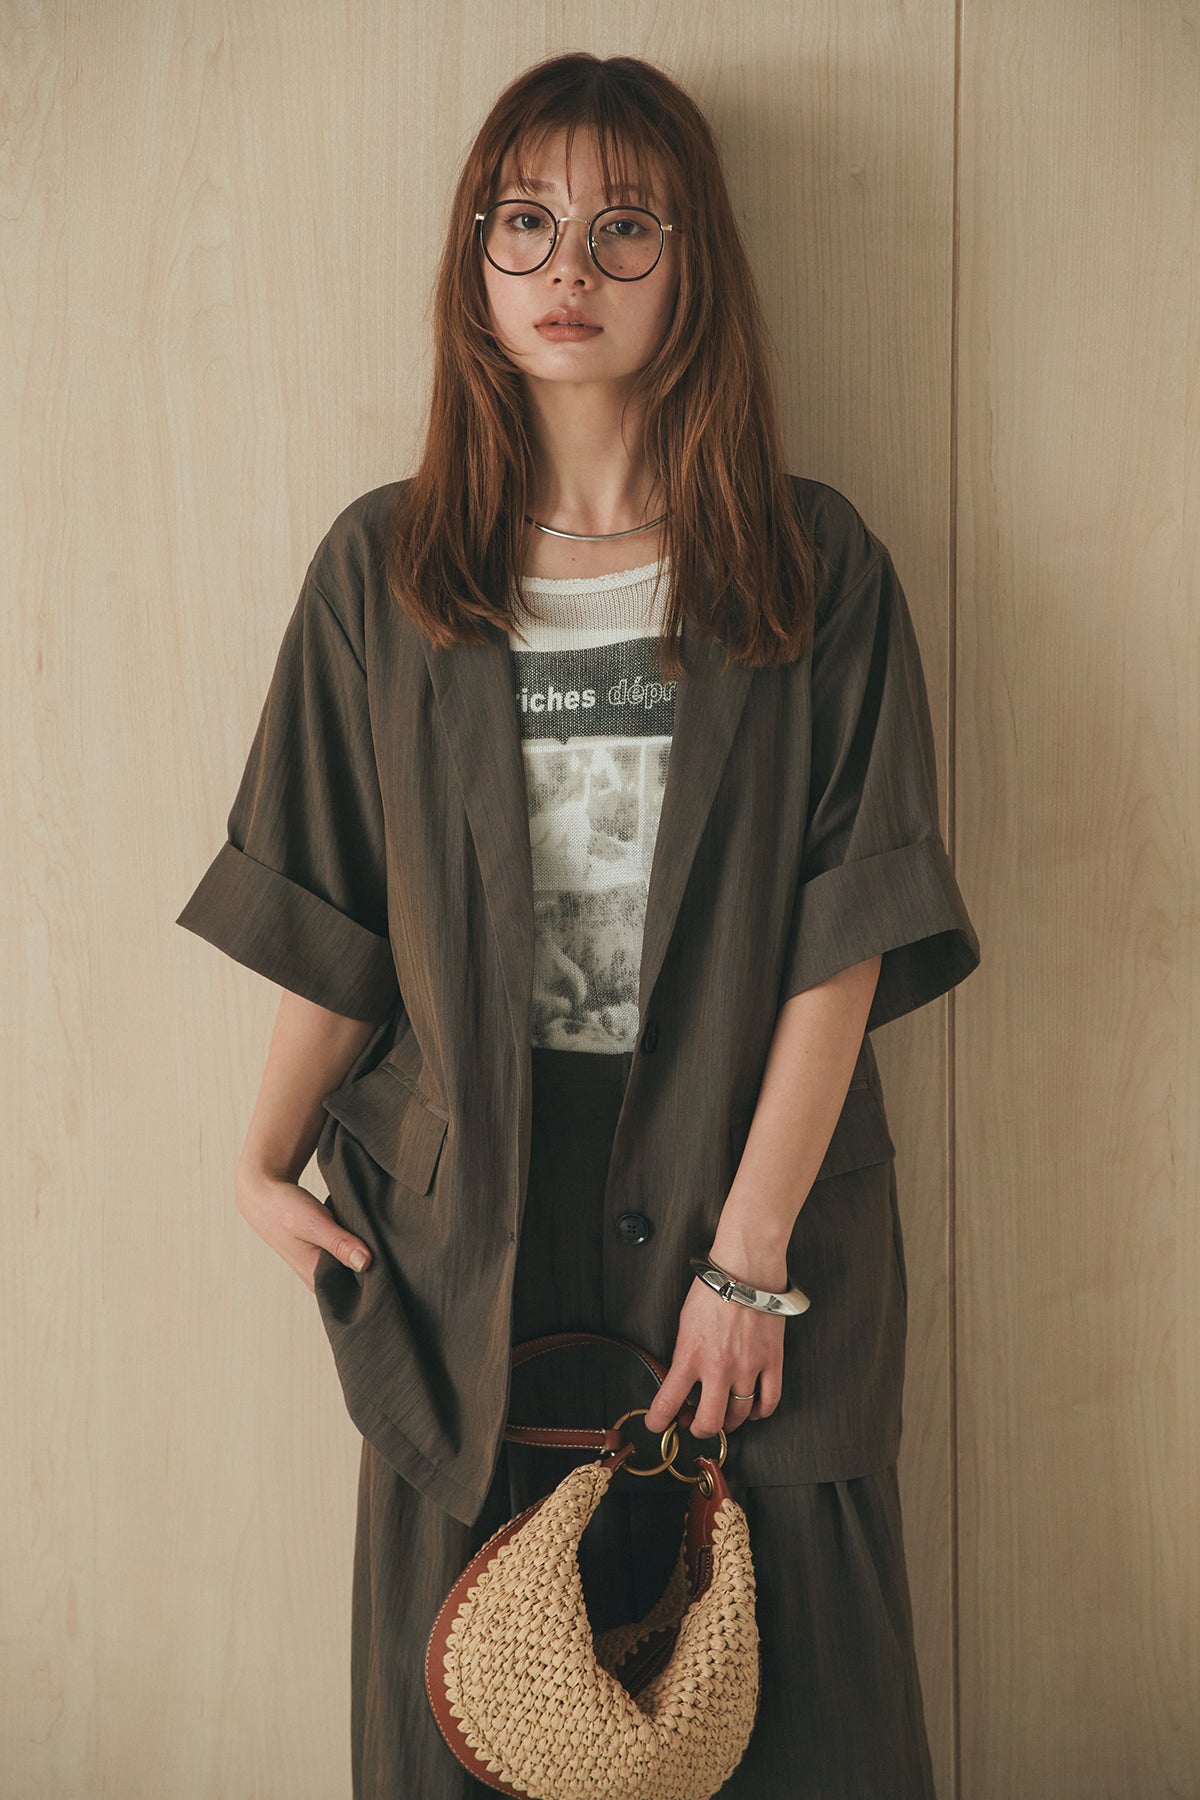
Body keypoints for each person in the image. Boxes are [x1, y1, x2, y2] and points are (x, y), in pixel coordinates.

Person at [176, 50, 980, 1799]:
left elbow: (844, 933)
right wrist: (256, 1158)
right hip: (470, 1217)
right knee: (474, 1703)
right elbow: (343, 918)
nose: (568, 268)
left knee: (797, 1712)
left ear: (693, 267)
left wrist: (749, 1258)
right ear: (475, 260)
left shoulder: (810, 564)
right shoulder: (387, 572)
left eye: (625, 228)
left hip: (749, 1191)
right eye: (524, 222)